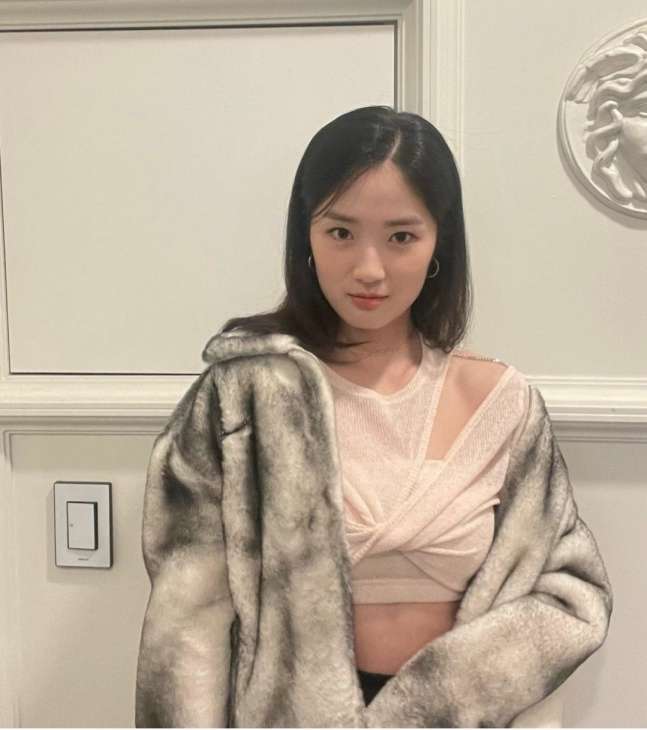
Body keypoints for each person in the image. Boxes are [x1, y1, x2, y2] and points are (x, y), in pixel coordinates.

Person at [135, 106, 613, 727]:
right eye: (340, 232)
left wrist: (432, 704)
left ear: (439, 242)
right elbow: (187, 622)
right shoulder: (247, 396)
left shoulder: (500, 403)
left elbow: (572, 594)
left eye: (401, 237)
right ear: (306, 236)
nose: (369, 268)